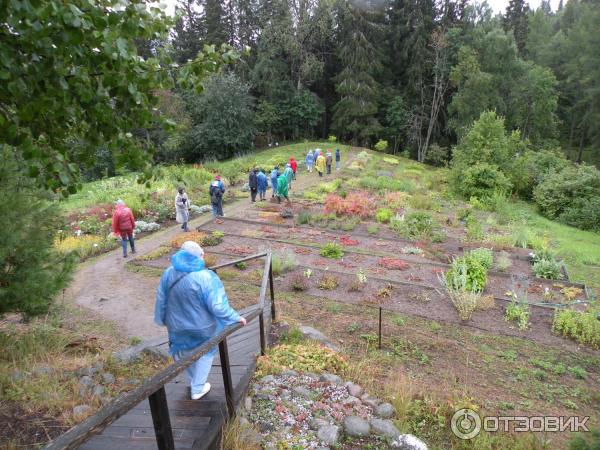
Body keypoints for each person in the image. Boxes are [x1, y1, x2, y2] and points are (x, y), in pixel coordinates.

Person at [154, 241, 247, 400]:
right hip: (202, 326)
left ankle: (192, 381)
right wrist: (235, 317)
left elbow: (161, 298)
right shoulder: (206, 277)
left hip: (175, 325)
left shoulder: (168, 273)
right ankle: (197, 388)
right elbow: (218, 306)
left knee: (181, 351)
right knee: (206, 352)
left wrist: (161, 318)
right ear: (199, 256)